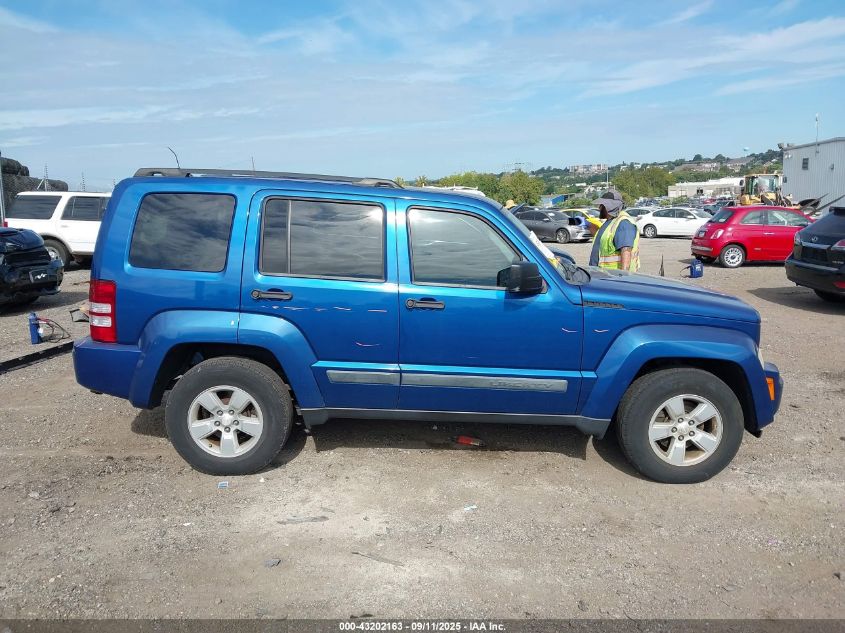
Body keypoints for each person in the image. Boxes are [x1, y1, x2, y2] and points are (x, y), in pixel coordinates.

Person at [588, 190, 640, 272]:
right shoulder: (611, 221)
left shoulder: (624, 223)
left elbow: (626, 251)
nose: (599, 208)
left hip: (613, 278)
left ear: (609, 206)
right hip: (603, 275)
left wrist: (623, 278)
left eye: (602, 205)